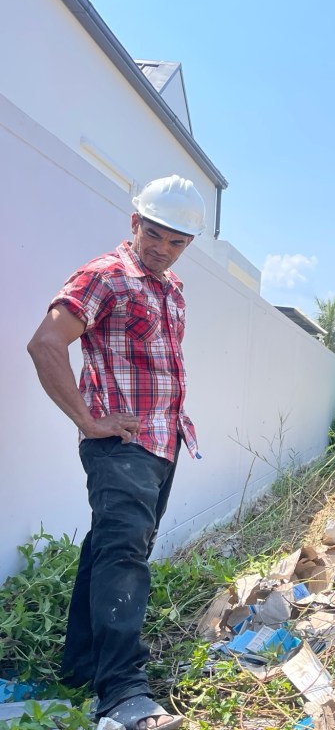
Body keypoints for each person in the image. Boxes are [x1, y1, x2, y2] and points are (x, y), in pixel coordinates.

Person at [27, 175, 206, 729]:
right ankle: (123, 694)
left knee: (111, 549)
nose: (162, 249)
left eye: (176, 241)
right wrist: (88, 420)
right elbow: (46, 343)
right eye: (154, 234)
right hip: (121, 447)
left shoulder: (171, 288)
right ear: (135, 223)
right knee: (124, 557)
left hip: (163, 443)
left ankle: (82, 669)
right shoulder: (105, 275)